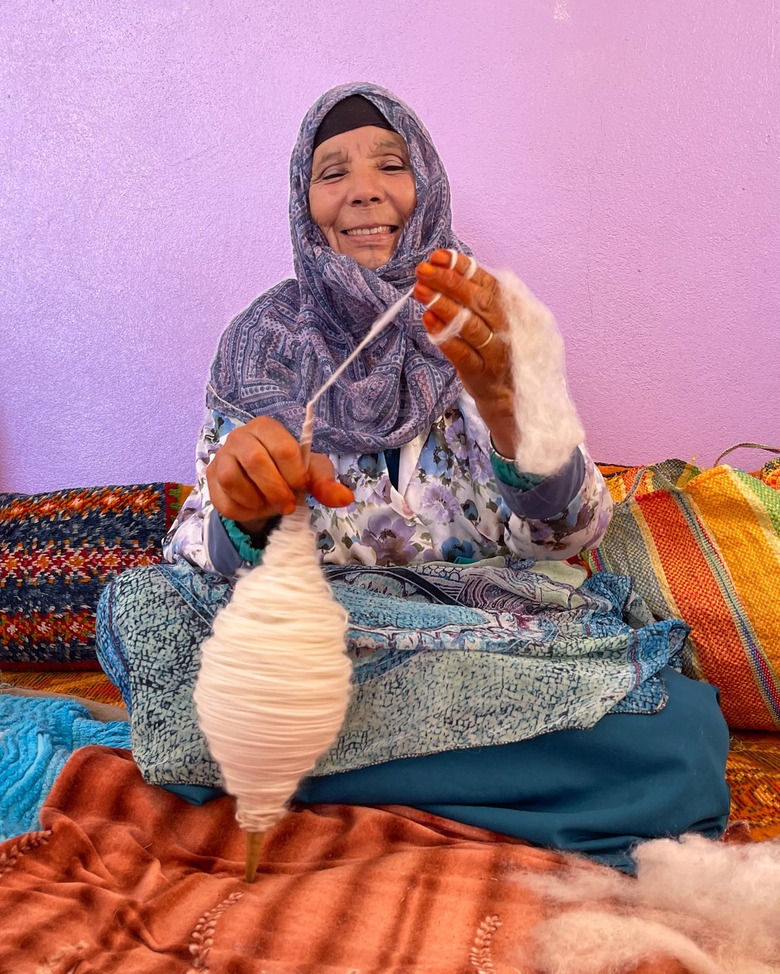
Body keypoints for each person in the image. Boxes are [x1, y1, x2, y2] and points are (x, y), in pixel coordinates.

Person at [97, 83, 729, 871]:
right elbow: (196, 556)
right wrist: (241, 513)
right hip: (328, 647)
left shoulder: (486, 319)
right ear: (304, 202)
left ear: (425, 183)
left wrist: (508, 405)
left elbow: (571, 533)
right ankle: (490, 785)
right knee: (145, 609)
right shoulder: (263, 345)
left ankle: (297, 782)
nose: (363, 188)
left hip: (486, 640)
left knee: (684, 733)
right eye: (332, 173)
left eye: (390, 164)